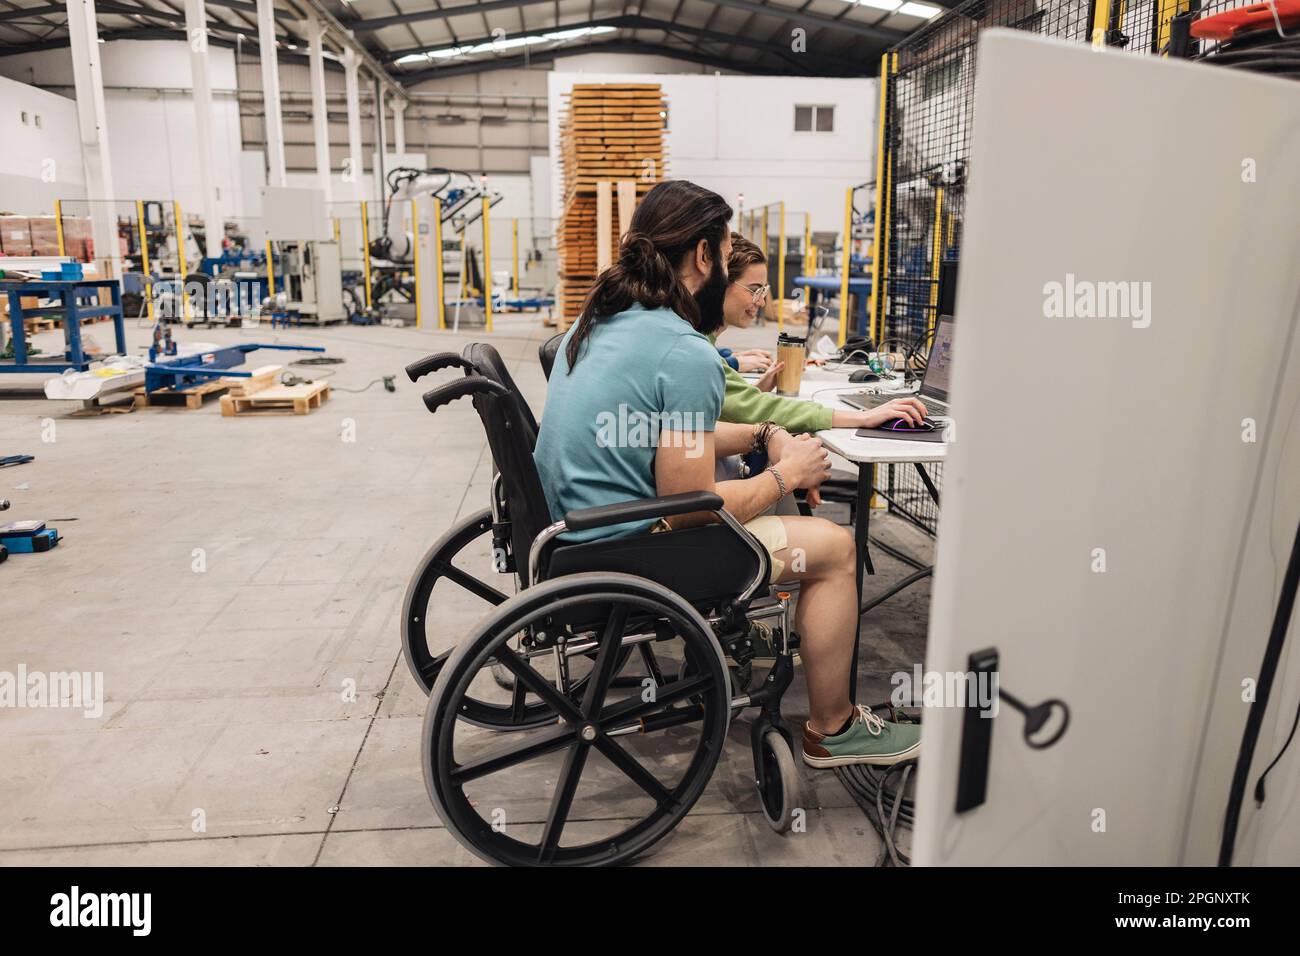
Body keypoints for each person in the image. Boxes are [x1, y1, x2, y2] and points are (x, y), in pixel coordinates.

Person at [534, 180, 919, 768]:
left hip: (578, 535)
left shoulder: (600, 322)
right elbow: (689, 504)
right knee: (836, 548)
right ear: (705, 257)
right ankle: (833, 728)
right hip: (637, 553)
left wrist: (762, 436)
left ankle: (762, 645)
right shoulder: (684, 353)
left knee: (766, 500)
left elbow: (664, 441)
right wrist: (785, 475)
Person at [716, 233, 927, 436]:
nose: (761, 302)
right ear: (717, 280)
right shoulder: (699, 352)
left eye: (764, 291)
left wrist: (755, 391)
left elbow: (736, 404)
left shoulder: (703, 344)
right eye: (755, 290)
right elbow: (759, 409)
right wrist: (863, 417)